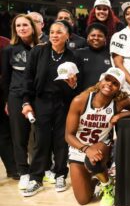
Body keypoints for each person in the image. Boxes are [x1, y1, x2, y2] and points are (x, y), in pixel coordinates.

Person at [65, 67, 130, 206]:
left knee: (93, 160)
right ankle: (97, 178)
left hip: (102, 145)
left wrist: (120, 115)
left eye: (115, 83)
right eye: (107, 79)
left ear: (118, 88)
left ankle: (107, 186)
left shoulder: (120, 102)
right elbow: (68, 135)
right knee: (83, 200)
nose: (109, 84)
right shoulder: (80, 100)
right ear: (101, 80)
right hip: (79, 147)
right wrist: (86, 148)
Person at [21, 20, 81, 196]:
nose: (55, 35)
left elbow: (78, 85)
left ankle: (60, 173)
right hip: (42, 102)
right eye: (52, 32)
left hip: (64, 103)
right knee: (41, 141)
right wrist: (26, 101)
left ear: (67, 35)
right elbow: (28, 78)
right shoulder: (38, 51)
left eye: (59, 32)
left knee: (61, 141)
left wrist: (73, 84)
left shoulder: (73, 56)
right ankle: (36, 178)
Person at [1, 14, 40, 189]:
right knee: (19, 136)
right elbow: (5, 79)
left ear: (33, 26)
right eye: (18, 26)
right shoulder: (9, 50)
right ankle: (23, 172)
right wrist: (7, 101)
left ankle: (41, 170)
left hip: (39, 96)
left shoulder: (42, 48)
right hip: (16, 96)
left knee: (41, 136)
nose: (22, 28)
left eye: (25, 25)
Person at [0, 35, 18, 180]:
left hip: (2, 93)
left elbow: (7, 74)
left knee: (4, 134)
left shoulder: (5, 43)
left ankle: (12, 169)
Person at [75, 23, 111, 91]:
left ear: (105, 39)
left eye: (100, 36)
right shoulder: (78, 54)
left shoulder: (111, 55)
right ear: (88, 37)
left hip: (105, 97)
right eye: (93, 35)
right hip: (83, 97)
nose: (96, 38)